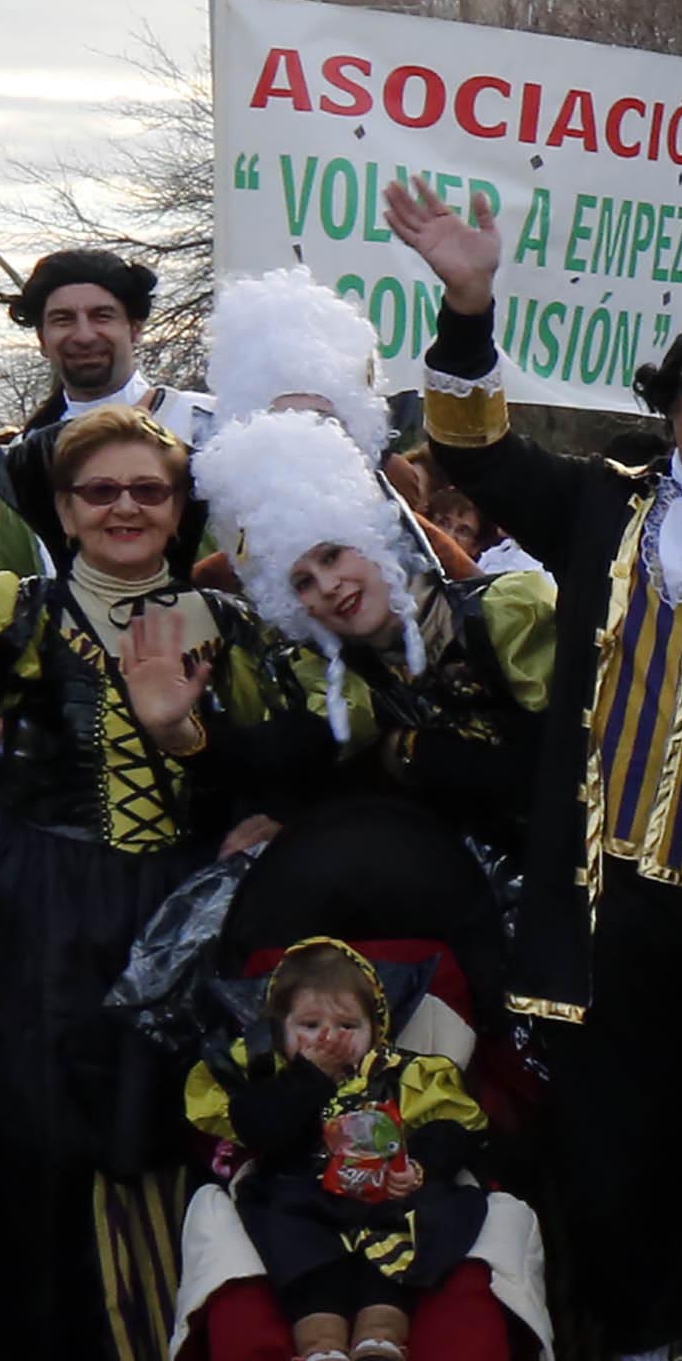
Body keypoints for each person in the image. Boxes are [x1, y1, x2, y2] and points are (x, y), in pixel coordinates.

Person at [382, 178, 682, 1361]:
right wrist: (470, 303)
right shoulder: (599, 512)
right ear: (671, 405)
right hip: (605, 901)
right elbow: (469, 444)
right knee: (617, 1152)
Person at [0, 398, 280, 1361]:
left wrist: (191, 738)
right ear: (63, 507)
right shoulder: (9, 605)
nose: (124, 507)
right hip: (39, 898)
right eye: (99, 490)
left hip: (174, 903)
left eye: (146, 490)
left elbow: (251, 771)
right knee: (45, 1149)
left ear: (177, 507)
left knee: (165, 1149)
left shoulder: (226, 624)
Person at [187, 407, 550, 1010]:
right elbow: (293, 758)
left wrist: (419, 754)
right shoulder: (341, 682)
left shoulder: (506, 613)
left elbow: (577, 763)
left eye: (333, 555)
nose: (327, 585)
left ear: (376, 539)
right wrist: (184, 732)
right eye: (302, 581)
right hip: (466, 918)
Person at [184, 938, 492, 1361]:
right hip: (300, 1198)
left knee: (416, 1228)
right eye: (309, 1026)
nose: (328, 1038)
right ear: (279, 1031)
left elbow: (453, 1129)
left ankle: (381, 1340)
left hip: (386, 1196)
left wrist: (420, 1165)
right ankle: (321, 1348)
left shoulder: (401, 1074)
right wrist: (309, 1080)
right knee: (290, 1234)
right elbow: (263, 1130)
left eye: (348, 1025)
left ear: (376, 1030)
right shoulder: (269, 1081)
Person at [0, 245, 210, 564]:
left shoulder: (207, 426)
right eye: (63, 320)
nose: (84, 335)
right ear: (42, 338)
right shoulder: (24, 459)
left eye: (101, 316)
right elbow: (15, 582)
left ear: (135, 328)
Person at [200, 269, 397, 440]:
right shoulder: (214, 483)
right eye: (283, 417)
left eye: (321, 418)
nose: (304, 429)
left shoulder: (382, 484)